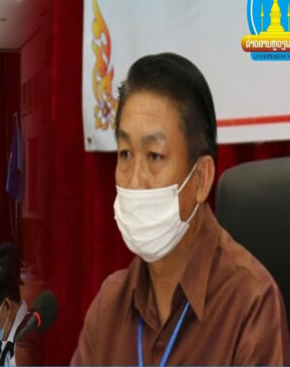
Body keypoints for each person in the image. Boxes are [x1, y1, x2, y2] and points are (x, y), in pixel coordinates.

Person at [71, 53, 290, 365]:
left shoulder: (250, 304)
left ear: (201, 179)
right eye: (125, 153)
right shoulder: (110, 304)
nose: (135, 180)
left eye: (155, 156)